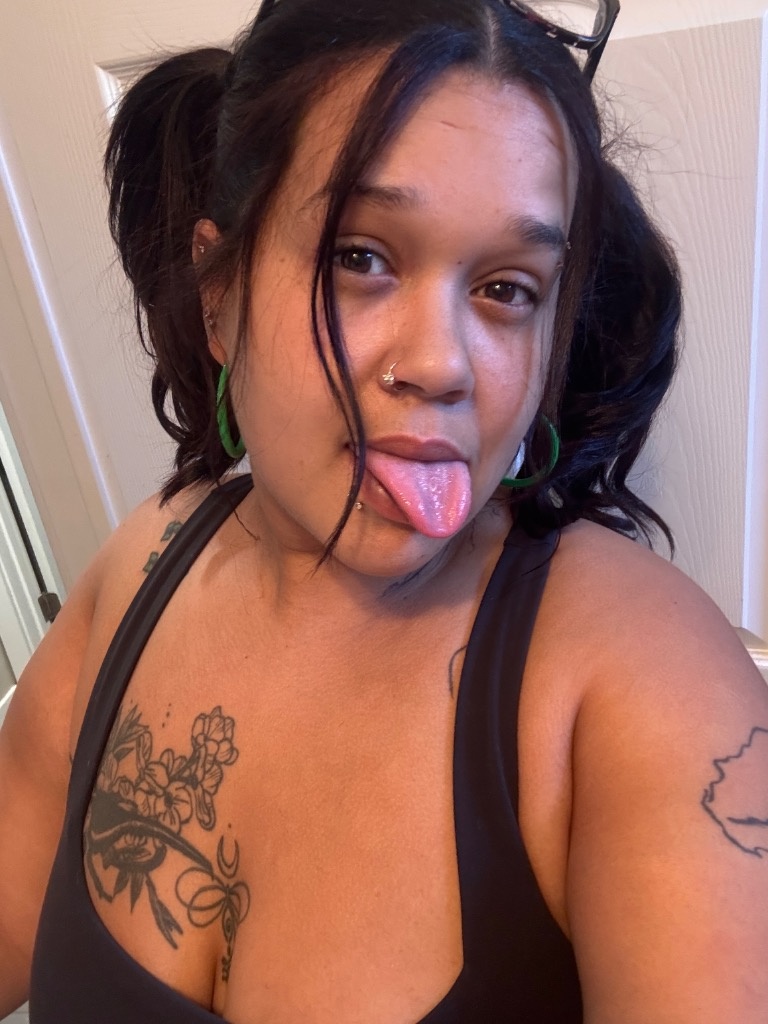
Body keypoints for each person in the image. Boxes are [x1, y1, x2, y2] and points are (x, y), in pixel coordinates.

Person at [1, 0, 767, 1020]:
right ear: (219, 295)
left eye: (507, 289)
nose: (444, 363)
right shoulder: (145, 561)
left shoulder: (647, 680)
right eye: (361, 256)